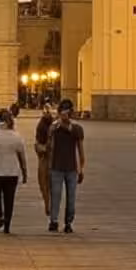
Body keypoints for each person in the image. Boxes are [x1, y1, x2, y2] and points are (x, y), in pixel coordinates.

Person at [47, 99, 85, 233]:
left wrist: (81, 168)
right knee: (55, 196)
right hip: (56, 167)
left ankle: (68, 222)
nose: (64, 116)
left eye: (66, 113)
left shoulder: (77, 129)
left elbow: (80, 150)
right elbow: (49, 147)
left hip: (72, 168)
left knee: (71, 198)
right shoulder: (54, 127)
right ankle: (54, 221)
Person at [35, 104, 55, 214]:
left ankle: (48, 202)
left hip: (46, 157)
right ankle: (48, 202)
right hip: (47, 156)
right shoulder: (45, 125)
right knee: (46, 183)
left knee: (44, 182)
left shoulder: (43, 124)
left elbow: (37, 142)